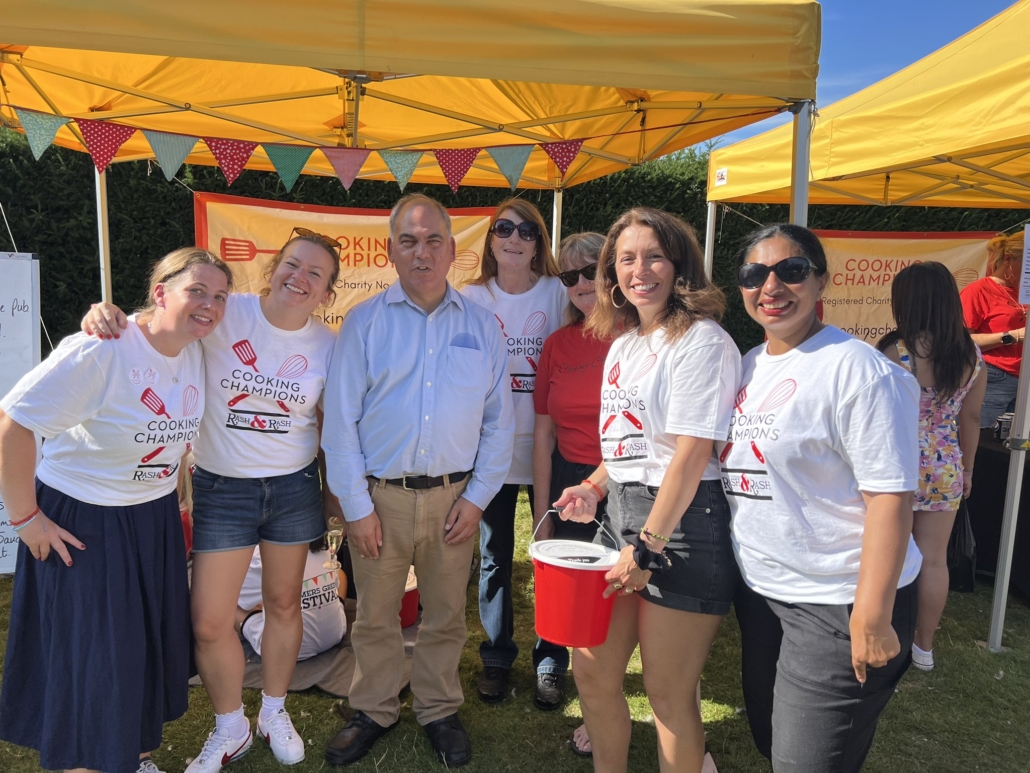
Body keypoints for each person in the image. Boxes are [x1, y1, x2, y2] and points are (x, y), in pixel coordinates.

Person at [80, 228, 342, 771]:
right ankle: (231, 725)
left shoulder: (327, 345)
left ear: (328, 293)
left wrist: (336, 494)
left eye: (315, 274)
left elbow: (329, 423)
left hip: (293, 487)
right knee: (208, 620)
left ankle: (273, 709)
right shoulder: (228, 312)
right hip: (223, 487)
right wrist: (108, 318)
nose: (301, 277)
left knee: (284, 604)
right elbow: (166, 319)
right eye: (293, 265)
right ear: (274, 269)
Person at [0, 248, 231, 773]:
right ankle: (84, 761)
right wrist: (24, 518)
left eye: (219, 296)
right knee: (95, 655)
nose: (209, 305)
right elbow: (13, 423)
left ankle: (134, 753)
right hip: (86, 519)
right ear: (160, 292)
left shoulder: (196, 348)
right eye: (196, 290)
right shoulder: (101, 350)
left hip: (150, 519)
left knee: (144, 645)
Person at [321, 193, 514, 768]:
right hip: (381, 497)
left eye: (434, 240)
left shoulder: (482, 327)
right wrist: (356, 507)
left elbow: (500, 424)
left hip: (456, 498)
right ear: (391, 250)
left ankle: (437, 707)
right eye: (409, 240)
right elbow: (340, 423)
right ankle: (374, 708)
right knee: (375, 613)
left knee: (446, 614)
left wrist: (478, 500)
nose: (422, 251)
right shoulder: (364, 322)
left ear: (453, 249)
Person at [723, 224, 922, 772]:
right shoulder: (748, 364)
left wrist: (873, 617)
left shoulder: (859, 372)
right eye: (754, 274)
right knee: (769, 736)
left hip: (837, 600)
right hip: (763, 593)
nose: (771, 286)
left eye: (790, 271)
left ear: (820, 281)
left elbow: (890, 499)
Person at [555, 208, 741, 773]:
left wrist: (648, 546)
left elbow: (689, 457)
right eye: (627, 258)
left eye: (654, 255)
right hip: (623, 518)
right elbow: (628, 449)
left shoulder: (702, 342)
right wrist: (591, 485)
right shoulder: (625, 344)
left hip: (681, 528)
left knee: (666, 693)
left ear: (680, 262)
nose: (640, 270)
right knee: (591, 669)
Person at [460, 198, 566, 704]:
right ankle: (496, 657)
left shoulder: (558, 292)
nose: (515, 238)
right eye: (504, 228)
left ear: (539, 242)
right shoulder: (470, 297)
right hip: (493, 450)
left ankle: (551, 659)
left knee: (553, 554)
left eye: (527, 230)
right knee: (494, 557)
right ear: (490, 240)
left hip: (551, 447)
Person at [877, 262, 986, 672]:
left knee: (888, 551)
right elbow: (970, 420)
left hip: (897, 462)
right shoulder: (972, 355)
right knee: (934, 559)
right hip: (946, 467)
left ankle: (883, 629)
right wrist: (969, 470)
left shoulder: (896, 350)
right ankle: (924, 648)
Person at [530, 233, 609, 736]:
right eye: (569, 276)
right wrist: (542, 513)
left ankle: (602, 684)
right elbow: (543, 432)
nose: (580, 284)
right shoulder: (558, 344)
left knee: (613, 589)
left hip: (624, 484)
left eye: (590, 272)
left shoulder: (639, 339)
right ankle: (549, 663)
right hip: (566, 479)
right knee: (564, 580)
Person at [236, 536, 348, 662]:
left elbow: (236, 595)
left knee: (230, 601)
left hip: (286, 650)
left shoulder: (261, 554)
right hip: (334, 635)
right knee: (340, 574)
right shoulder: (324, 547)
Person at [960, 231, 1026, 427]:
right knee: (982, 441)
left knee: (1017, 453)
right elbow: (962, 341)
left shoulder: (1025, 293)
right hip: (993, 377)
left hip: (1025, 382)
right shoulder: (978, 291)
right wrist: (1012, 336)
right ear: (1008, 260)